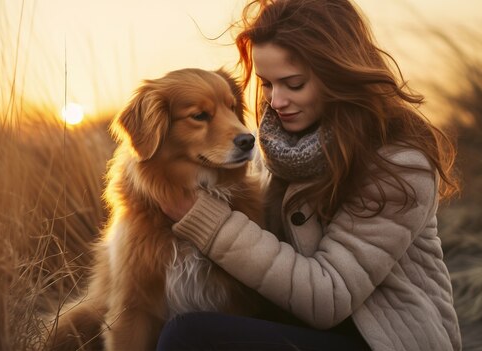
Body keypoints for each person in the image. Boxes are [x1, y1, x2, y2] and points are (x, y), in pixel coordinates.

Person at [156, 0, 462, 350]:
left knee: (188, 336)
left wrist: (206, 221)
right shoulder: (276, 150)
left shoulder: (399, 164)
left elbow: (328, 297)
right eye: (267, 84)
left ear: (337, 73)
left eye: (294, 84)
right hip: (301, 327)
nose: (276, 101)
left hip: (383, 341)